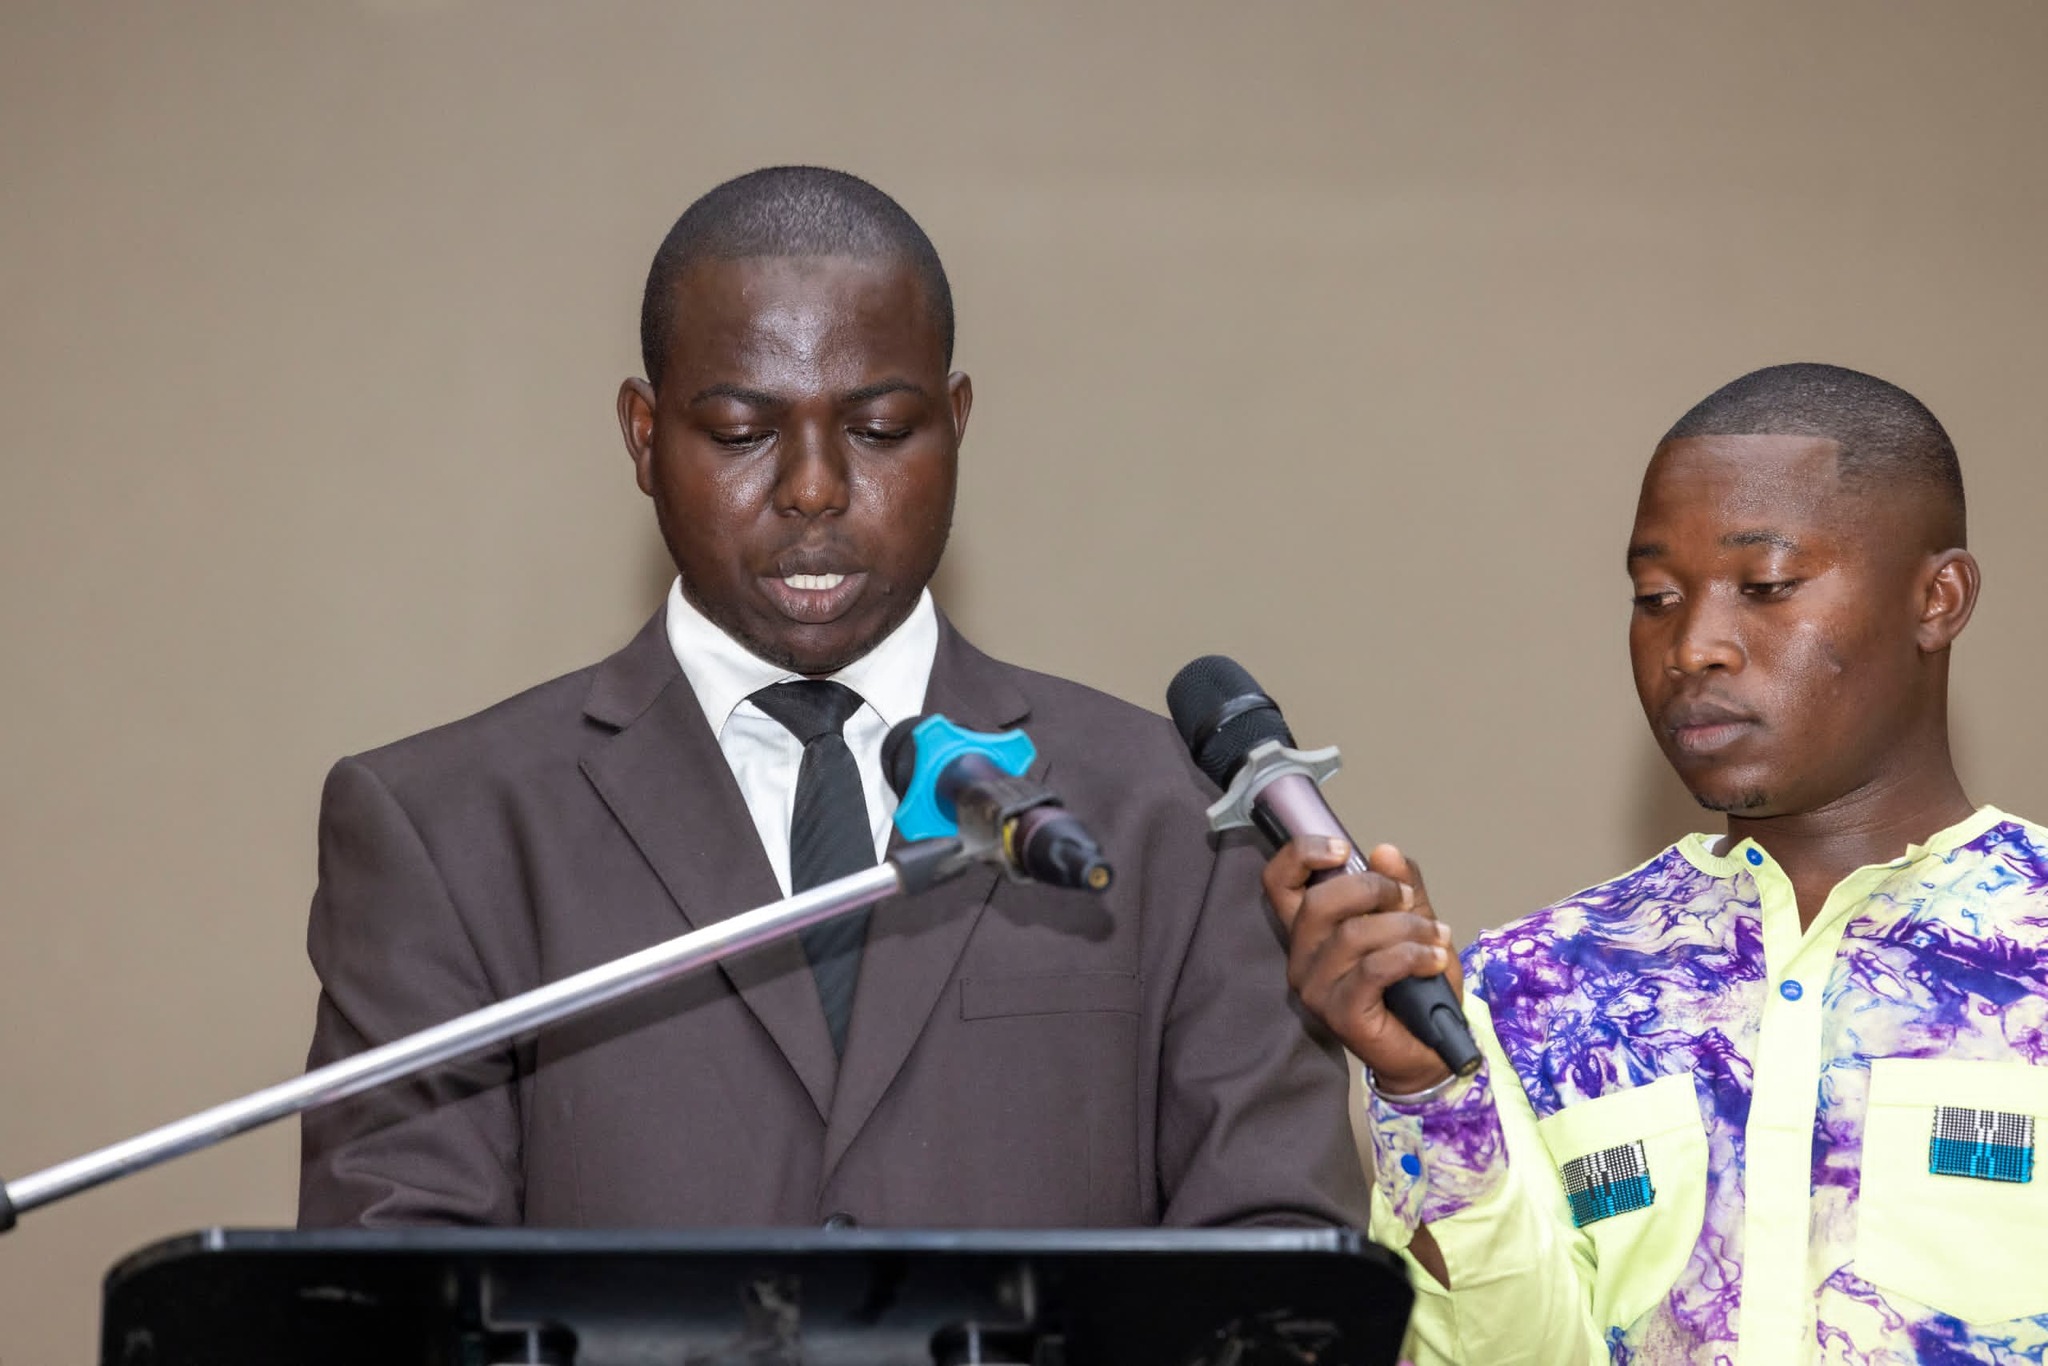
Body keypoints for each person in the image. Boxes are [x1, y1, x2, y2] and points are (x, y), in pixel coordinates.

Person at [297, 166, 1368, 1232]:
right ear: (643, 436)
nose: (813, 487)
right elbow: (389, 1282)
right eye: (740, 433)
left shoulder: (1172, 817)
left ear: (955, 425)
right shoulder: (445, 831)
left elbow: (1275, 1257)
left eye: (880, 429)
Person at [1264, 363, 2048, 1362]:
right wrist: (1426, 1089)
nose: (1692, 646)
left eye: (1765, 587)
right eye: (1656, 598)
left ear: (1937, 598)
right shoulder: (1530, 989)